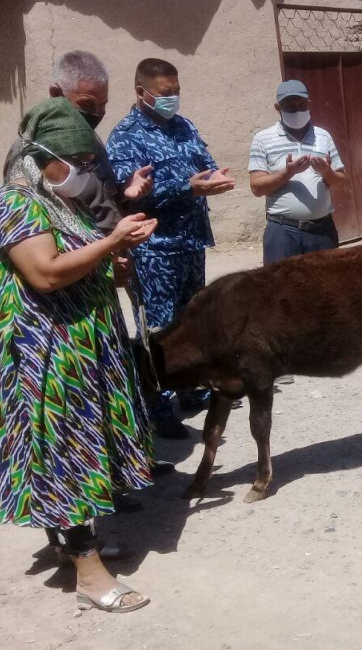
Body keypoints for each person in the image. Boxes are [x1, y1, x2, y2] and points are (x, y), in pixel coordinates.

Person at [0, 98, 157, 612]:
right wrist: (110, 243)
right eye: (78, 163)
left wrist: (113, 267)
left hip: (82, 352)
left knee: (77, 451)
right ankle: (89, 575)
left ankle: (68, 547)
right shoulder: (16, 203)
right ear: (44, 159)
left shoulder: (58, 203)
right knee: (66, 456)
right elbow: (44, 273)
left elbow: (75, 262)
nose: (87, 171)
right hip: (49, 357)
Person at [106, 58, 235, 438]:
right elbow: (123, 198)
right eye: (165, 94)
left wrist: (214, 177)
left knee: (191, 322)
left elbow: (204, 164)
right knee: (157, 328)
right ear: (141, 93)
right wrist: (187, 188)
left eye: (176, 91)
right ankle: (157, 405)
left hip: (191, 242)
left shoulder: (184, 126)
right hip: (154, 250)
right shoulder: (125, 137)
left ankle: (190, 389)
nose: (173, 99)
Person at [2, 50, 154, 227]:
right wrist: (105, 248)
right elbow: (27, 227)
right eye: (87, 104)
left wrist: (123, 192)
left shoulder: (90, 139)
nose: (96, 113)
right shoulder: (32, 152)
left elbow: (95, 202)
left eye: (102, 105)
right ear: (56, 94)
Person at [248, 79, 346, 264]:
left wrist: (327, 172)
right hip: (283, 233)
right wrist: (288, 173)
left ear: (310, 105)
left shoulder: (323, 136)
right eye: (289, 106)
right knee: (281, 290)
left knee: (326, 289)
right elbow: (257, 188)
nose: (296, 110)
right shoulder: (263, 139)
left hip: (322, 232)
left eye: (301, 105)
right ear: (278, 108)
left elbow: (341, 183)